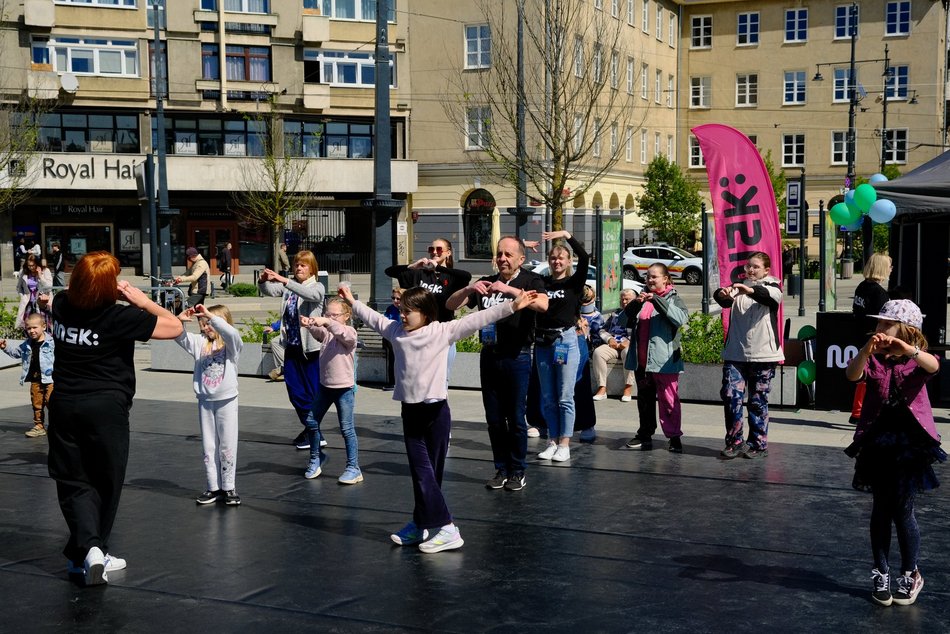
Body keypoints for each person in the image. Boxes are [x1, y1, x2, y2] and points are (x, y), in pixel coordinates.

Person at [342, 283, 541, 552]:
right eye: (401, 310)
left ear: (424, 313)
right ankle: (428, 524)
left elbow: (477, 319)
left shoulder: (441, 331)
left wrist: (512, 306)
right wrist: (353, 302)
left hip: (436, 413)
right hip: (410, 413)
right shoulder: (396, 332)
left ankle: (439, 527)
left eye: (408, 311)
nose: (402, 315)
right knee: (421, 473)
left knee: (430, 475)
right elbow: (374, 318)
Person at [47, 251, 182, 586]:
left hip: (64, 404)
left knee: (73, 482)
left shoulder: (63, 304)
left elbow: (52, 304)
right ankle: (96, 549)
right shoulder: (118, 317)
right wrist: (140, 300)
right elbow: (175, 325)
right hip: (106, 409)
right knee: (105, 482)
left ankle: (85, 553)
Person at [844, 299, 944, 607]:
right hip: (878, 440)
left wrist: (906, 348)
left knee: (902, 510)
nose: (880, 329)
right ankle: (881, 572)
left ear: (906, 330)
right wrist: (865, 350)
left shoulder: (916, 358)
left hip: (909, 443)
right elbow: (852, 375)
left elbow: (934, 365)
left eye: (887, 324)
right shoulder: (873, 358)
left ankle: (910, 572)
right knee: (880, 509)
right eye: (879, 324)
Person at [445, 236, 548, 492]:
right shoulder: (487, 282)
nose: (502, 258)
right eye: (499, 254)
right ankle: (501, 468)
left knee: (515, 418)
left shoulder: (530, 280)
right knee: (493, 418)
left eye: (508, 255)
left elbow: (543, 305)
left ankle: (517, 470)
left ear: (521, 259)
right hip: (489, 355)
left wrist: (510, 291)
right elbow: (449, 305)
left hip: (517, 356)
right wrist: (470, 289)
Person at [713, 251, 784, 460]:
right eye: (748, 267)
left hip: (764, 355)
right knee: (731, 396)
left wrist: (749, 290)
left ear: (766, 270)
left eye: (755, 267)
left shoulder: (773, 287)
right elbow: (722, 300)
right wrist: (723, 293)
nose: (750, 270)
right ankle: (734, 441)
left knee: (757, 400)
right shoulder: (739, 288)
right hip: (736, 354)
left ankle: (758, 443)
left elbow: (767, 297)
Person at [175, 304, 244, 506]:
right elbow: (179, 337)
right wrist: (179, 320)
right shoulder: (199, 343)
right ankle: (213, 486)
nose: (205, 328)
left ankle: (229, 486)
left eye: (208, 324)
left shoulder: (231, 346)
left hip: (227, 400)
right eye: (202, 324)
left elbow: (232, 334)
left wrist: (211, 317)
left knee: (227, 444)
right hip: (205, 401)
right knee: (209, 445)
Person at [258, 250, 325, 450]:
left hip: (311, 350)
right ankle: (312, 429)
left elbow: (311, 295)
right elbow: (270, 291)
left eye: (303, 265)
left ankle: (313, 432)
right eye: (296, 264)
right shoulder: (289, 289)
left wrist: (284, 280)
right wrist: (263, 281)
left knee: (312, 393)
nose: (298, 268)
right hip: (293, 348)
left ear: (312, 268)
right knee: (295, 392)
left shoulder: (318, 286)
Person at [534, 230, 588, 463]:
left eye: (561, 258)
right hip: (543, 342)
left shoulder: (574, 282)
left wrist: (567, 236)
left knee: (565, 395)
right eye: (553, 258)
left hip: (564, 341)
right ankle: (552, 440)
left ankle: (565, 443)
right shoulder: (542, 283)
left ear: (568, 261)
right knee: (548, 396)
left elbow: (585, 257)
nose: (557, 262)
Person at [622, 264, 689, 453]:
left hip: (665, 362)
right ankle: (645, 434)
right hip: (642, 362)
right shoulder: (641, 298)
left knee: (669, 401)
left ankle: (674, 437)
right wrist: (635, 304)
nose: (650, 280)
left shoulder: (674, 299)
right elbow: (622, 320)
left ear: (665, 279)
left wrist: (658, 301)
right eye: (648, 277)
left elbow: (680, 319)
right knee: (644, 400)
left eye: (654, 277)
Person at [385, 238, 473, 381]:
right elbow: (390, 271)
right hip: (421, 332)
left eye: (439, 249)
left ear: (448, 253)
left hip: (443, 331)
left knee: (442, 377)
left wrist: (438, 268)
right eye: (431, 249)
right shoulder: (420, 274)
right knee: (420, 375)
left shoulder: (451, 276)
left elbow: (466, 277)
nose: (434, 252)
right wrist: (413, 266)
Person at [299, 297, 362, 483]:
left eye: (335, 315)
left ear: (346, 316)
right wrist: (309, 324)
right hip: (325, 387)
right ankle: (316, 458)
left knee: (347, 428)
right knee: (311, 421)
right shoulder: (327, 334)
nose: (330, 318)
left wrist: (327, 321)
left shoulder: (350, 333)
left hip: (344, 389)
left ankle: (354, 467)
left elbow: (343, 334)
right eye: (328, 314)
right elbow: (319, 332)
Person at [850, 253, 893, 425]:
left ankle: (857, 411)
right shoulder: (880, 293)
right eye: (889, 265)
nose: (891, 269)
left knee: (864, 374)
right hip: (874, 338)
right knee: (874, 375)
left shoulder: (862, 286)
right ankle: (862, 412)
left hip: (861, 335)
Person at [1, 313, 55, 438]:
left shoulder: (52, 343)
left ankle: (57, 425)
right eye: (29, 328)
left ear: (44, 326)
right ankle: (39, 426)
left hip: (50, 379)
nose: (31, 331)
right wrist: (5, 347)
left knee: (51, 402)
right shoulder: (27, 344)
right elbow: (15, 353)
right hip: (35, 379)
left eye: (34, 327)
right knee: (36, 403)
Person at [591, 289, 636, 402]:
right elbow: (602, 330)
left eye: (627, 299)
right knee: (598, 352)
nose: (624, 302)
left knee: (628, 353)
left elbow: (642, 332)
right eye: (622, 299)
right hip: (614, 344)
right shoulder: (616, 313)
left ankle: (628, 387)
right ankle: (602, 388)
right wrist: (609, 339)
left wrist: (630, 341)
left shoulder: (638, 313)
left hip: (629, 344)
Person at [576, 285, 602, 442]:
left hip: (580, 343)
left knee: (580, 384)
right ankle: (543, 422)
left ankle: (586, 424)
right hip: (556, 341)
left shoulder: (596, 316)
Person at [16, 254, 52, 330]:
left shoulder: (45, 271)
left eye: (33, 265)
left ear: (37, 264)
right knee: (28, 325)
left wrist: (40, 277)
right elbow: (19, 287)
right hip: (28, 303)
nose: (31, 267)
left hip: (42, 302)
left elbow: (49, 287)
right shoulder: (23, 272)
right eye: (29, 265)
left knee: (43, 325)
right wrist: (23, 296)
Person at [382, 288, 404, 390]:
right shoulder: (390, 308)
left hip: (403, 338)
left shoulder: (407, 309)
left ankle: (400, 382)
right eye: (393, 298)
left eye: (398, 299)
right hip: (391, 337)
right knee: (392, 360)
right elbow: (385, 321)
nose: (395, 301)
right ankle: (392, 382)